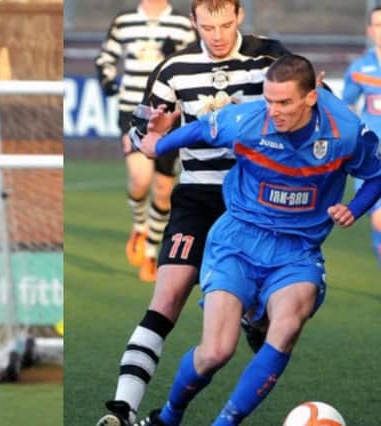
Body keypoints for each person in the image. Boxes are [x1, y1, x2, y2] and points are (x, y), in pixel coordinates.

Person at [133, 54, 381, 426]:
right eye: (269, 100)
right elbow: (202, 129)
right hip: (237, 242)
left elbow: (376, 174)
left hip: (297, 252)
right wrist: (158, 145)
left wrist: (356, 208)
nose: (274, 111)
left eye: (284, 102)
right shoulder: (247, 120)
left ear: (310, 98)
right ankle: (168, 416)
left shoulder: (344, 131)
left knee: (286, 328)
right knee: (216, 352)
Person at [96, 1, 291, 425]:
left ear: (239, 16)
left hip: (256, 202)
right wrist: (152, 130)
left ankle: (253, 318)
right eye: (207, 26)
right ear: (193, 23)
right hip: (197, 197)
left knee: (265, 313)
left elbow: (311, 103)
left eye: (224, 24)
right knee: (165, 299)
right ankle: (122, 409)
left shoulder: (270, 57)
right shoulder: (173, 70)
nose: (217, 35)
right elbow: (138, 126)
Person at [95, 0, 196, 282]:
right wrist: (109, 82)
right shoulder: (125, 20)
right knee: (140, 179)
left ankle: (151, 254)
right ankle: (140, 225)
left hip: (170, 112)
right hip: (134, 110)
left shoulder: (182, 23)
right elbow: (105, 58)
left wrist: (174, 56)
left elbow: (196, 60)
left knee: (164, 189)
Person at [342, 5, 381, 266]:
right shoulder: (359, 68)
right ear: (369, 30)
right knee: (379, 221)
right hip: (373, 158)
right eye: (378, 25)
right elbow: (345, 107)